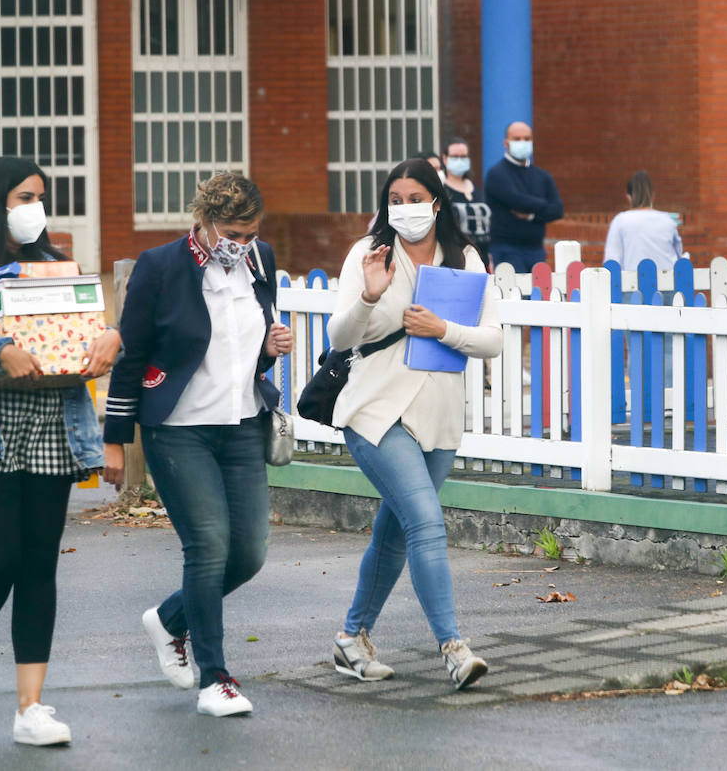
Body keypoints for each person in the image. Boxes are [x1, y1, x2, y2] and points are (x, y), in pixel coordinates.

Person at [0, 156, 121, 747]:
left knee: (39, 565)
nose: (32, 207)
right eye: (21, 196)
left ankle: (31, 707)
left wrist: (110, 337)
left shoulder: (53, 262)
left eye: (39, 196)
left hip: (52, 423)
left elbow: (84, 324)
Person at [101, 173, 292, 718]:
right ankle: (216, 679)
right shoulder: (160, 267)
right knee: (208, 547)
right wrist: (116, 442)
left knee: (248, 554)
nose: (243, 241)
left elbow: (245, 353)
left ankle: (168, 619)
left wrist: (271, 349)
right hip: (178, 429)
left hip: (242, 425)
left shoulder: (261, 260)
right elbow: (131, 358)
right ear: (204, 222)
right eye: (233, 231)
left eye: (252, 231)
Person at [327, 157, 502, 690]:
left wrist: (443, 328)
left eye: (414, 198)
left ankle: (351, 638)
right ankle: (452, 647)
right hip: (376, 411)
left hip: (439, 415)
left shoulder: (465, 258)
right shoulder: (368, 253)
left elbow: (492, 339)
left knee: (396, 533)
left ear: (437, 202)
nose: (404, 209)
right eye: (394, 199)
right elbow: (339, 337)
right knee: (425, 522)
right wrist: (369, 295)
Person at [484, 121, 563, 275]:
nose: (523, 143)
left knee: (538, 295)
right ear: (506, 143)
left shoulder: (542, 176)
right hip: (506, 249)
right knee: (515, 295)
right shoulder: (497, 174)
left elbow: (558, 209)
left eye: (527, 139)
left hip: (536, 250)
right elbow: (516, 200)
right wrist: (544, 205)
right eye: (517, 139)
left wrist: (531, 215)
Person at [603, 170, 683, 274]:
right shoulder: (668, 220)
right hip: (669, 285)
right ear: (653, 195)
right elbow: (678, 255)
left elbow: (612, 259)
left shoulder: (620, 221)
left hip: (632, 285)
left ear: (628, 197)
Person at [442, 136, 491, 265]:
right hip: (458, 258)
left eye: (463, 156)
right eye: (455, 156)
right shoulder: (443, 190)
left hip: (482, 257)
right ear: (445, 159)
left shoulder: (475, 188)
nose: (459, 160)